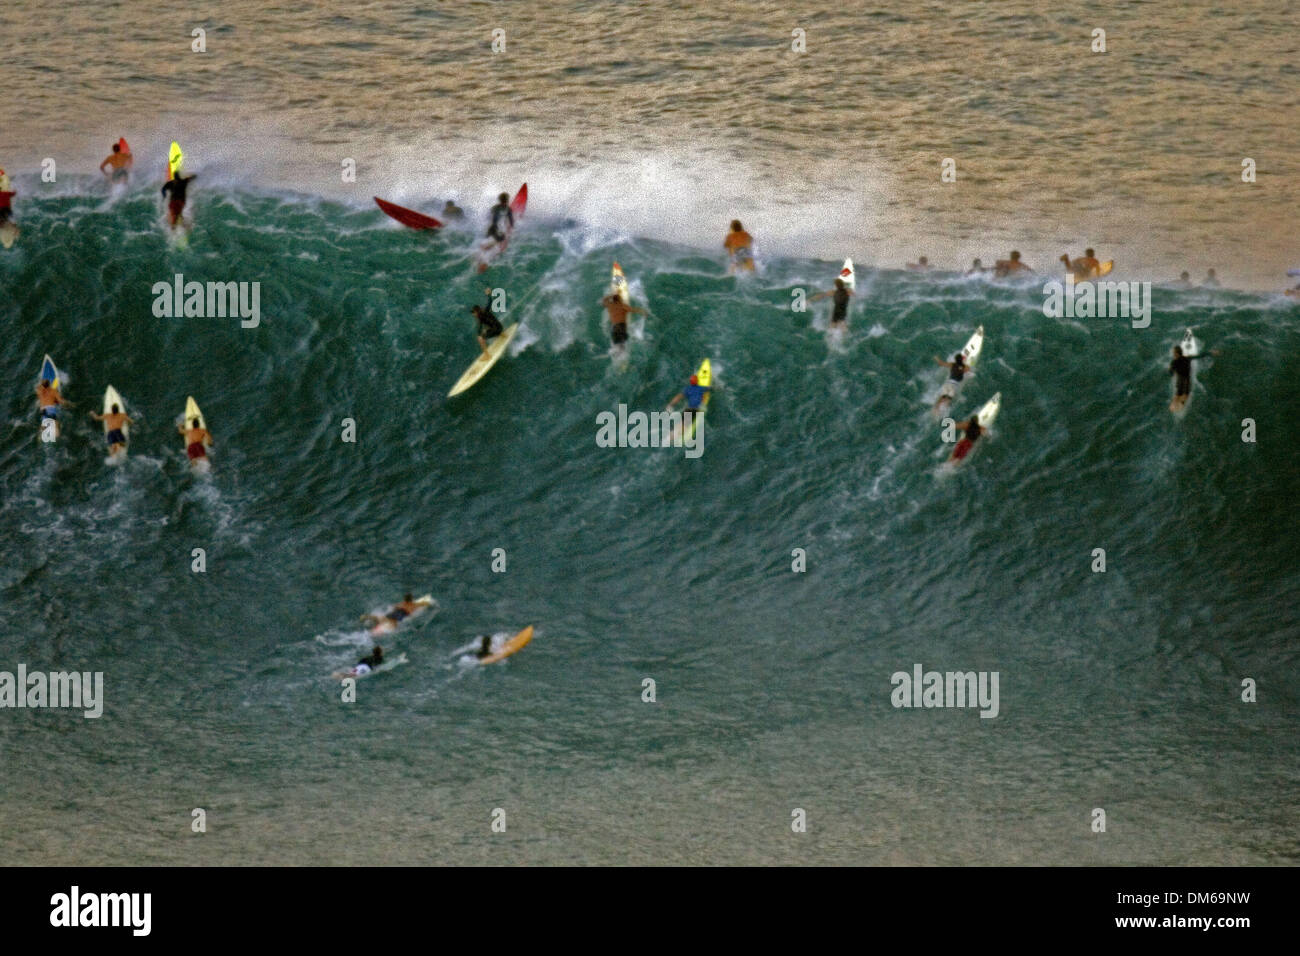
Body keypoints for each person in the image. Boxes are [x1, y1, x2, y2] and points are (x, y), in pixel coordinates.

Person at [1168, 343, 1220, 412]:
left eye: (1174, 353)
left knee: (1178, 393)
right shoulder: (1187, 358)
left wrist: (1172, 371)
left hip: (1179, 380)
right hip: (1186, 380)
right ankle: (1181, 405)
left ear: (1177, 354)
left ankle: (1173, 405)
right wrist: (1211, 352)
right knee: (1186, 395)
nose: (1173, 354)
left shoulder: (1173, 362)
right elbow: (1199, 356)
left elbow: (1170, 373)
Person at [932, 351, 974, 415]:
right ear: (962, 360)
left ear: (955, 360)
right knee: (948, 399)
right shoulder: (964, 367)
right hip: (954, 386)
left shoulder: (952, 364)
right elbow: (969, 369)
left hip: (948, 384)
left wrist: (936, 358)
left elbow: (941, 363)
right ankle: (942, 412)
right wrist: (966, 358)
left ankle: (936, 409)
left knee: (943, 396)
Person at [472, 288, 504, 355]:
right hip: (500, 327)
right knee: (488, 327)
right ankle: (503, 335)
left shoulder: (480, 318)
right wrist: (489, 294)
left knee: (480, 339)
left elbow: (479, 330)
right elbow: (490, 301)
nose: (474, 315)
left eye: (474, 313)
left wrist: (479, 335)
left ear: (477, 312)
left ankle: (487, 355)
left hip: (497, 330)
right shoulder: (486, 310)